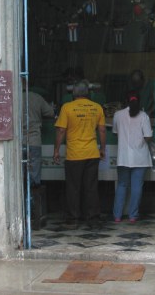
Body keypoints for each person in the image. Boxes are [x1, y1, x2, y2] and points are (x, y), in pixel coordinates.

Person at [53, 79, 106, 229]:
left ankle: (73, 219)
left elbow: (61, 130)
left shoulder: (67, 108)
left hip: (74, 155)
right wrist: (102, 148)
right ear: (88, 93)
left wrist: (56, 150)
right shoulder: (97, 108)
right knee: (91, 187)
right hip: (92, 153)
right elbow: (102, 130)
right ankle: (93, 219)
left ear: (73, 93)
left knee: (73, 188)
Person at [112, 92, 153, 223]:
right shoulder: (144, 116)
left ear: (125, 101)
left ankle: (117, 215)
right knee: (136, 186)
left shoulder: (118, 115)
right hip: (140, 158)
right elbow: (148, 136)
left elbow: (115, 132)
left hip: (123, 157)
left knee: (122, 185)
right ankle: (133, 216)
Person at [22, 84, 54, 187]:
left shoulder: (13, 97)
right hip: (34, 140)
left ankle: (21, 195)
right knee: (34, 174)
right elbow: (50, 113)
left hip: (17, 142)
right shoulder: (37, 97)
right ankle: (32, 196)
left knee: (18, 173)